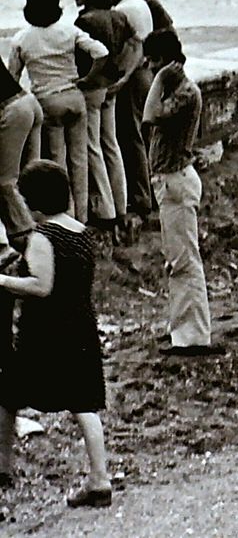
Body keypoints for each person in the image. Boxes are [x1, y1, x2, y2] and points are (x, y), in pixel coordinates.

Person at [0, 161, 112, 508]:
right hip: (80, 327)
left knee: (7, 397)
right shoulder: (80, 231)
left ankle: (3, 466)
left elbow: (41, 285)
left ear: (34, 203)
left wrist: (2, 280)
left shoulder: (42, 237)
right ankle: (100, 479)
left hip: (46, 335)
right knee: (84, 405)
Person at [140, 30, 219, 358]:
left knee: (184, 260)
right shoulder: (181, 91)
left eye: (153, 60)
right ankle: (183, 332)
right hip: (173, 180)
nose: (147, 66)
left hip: (175, 181)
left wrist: (159, 77)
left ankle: (193, 336)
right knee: (180, 260)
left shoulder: (184, 93)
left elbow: (148, 116)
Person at [7, 0, 109, 221]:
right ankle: (82, 217)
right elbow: (101, 52)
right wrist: (88, 79)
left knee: (57, 163)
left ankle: (66, 216)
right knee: (80, 159)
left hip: (47, 101)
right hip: (74, 97)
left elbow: (12, 78)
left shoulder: (22, 39)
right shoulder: (68, 31)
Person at [70, 0, 133, 228]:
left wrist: (85, 79)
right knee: (111, 144)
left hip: (92, 88)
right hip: (111, 86)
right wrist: (123, 75)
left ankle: (105, 210)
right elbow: (134, 45)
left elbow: (90, 57)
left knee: (92, 146)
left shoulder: (85, 20)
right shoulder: (116, 16)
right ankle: (120, 204)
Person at [106, 0, 153, 224]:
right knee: (143, 136)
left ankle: (141, 197)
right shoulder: (140, 4)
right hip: (146, 74)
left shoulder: (122, 12)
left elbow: (133, 47)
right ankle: (148, 194)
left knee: (130, 136)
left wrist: (122, 78)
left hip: (134, 76)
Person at [0, 64, 38, 250]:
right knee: (33, 175)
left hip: (12, 110)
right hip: (27, 102)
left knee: (4, 181)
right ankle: (51, 232)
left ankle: (24, 237)